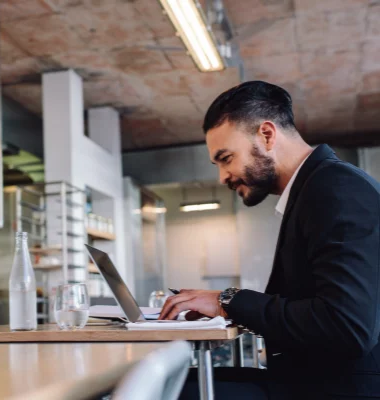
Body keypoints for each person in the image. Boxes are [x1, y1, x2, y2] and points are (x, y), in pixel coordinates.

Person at [160, 81, 380, 399]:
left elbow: (346, 326)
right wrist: (227, 305)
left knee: (164, 388)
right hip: (308, 379)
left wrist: (228, 301)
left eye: (226, 158)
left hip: (339, 389)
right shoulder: (317, 189)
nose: (222, 177)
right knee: (177, 379)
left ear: (266, 135)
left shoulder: (336, 189)